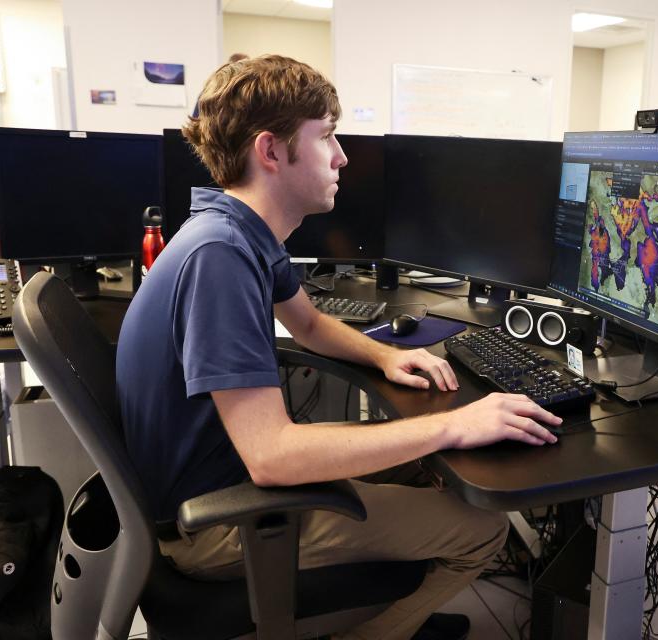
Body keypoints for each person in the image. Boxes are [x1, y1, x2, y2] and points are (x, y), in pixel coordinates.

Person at [116, 54, 562, 640]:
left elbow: (307, 325)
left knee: (428, 464)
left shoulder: (239, 231)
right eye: (327, 136)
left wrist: (384, 355)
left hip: (216, 472)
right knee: (483, 530)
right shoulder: (219, 259)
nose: (343, 156)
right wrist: (456, 425)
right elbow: (272, 455)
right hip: (217, 520)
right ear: (271, 151)